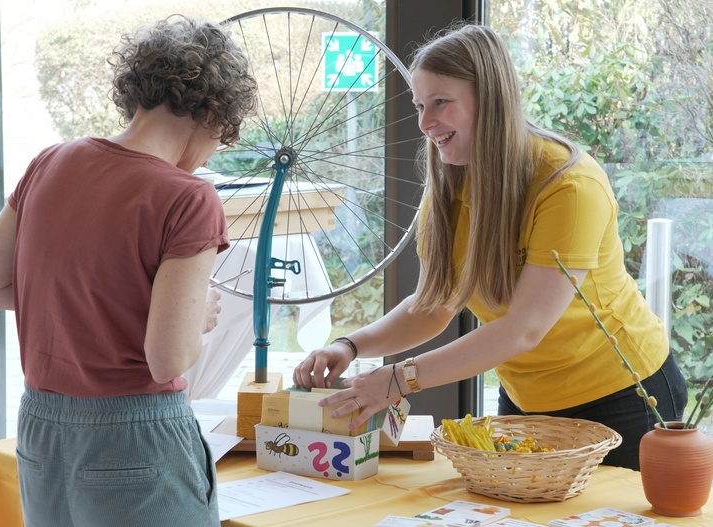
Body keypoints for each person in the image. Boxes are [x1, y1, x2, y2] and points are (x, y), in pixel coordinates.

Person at [293, 24, 687, 471]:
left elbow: (524, 329)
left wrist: (400, 379)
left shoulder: (569, 185)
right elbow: (433, 306)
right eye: (420, 106)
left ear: (490, 98)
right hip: (525, 398)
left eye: (440, 102)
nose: (425, 123)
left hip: (623, 394)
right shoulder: (451, 186)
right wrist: (349, 345)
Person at [0, 15, 257, 526]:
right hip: (136, 436)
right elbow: (168, 359)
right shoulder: (188, 197)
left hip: (41, 432)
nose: (209, 155)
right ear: (211, 113)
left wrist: (99, 302)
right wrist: (192, 318)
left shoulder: (50, 162)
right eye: (220, 139)